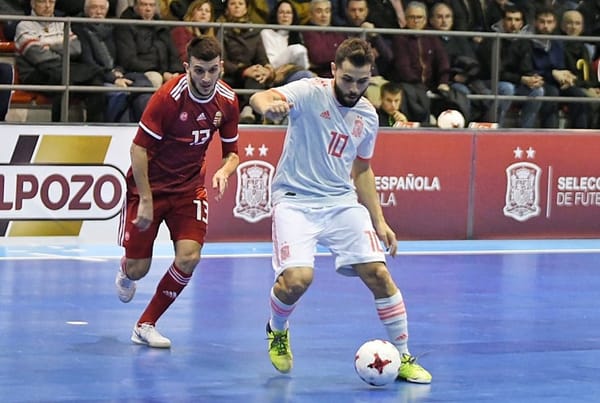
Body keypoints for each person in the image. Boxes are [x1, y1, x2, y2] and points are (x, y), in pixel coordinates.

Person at [248, 37, 432, 384]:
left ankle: (404, 355)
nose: (353, 88)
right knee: (297, 281)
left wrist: (379, 220)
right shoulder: (308, 91)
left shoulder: (367, 115)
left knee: (378, 274)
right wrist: (268, 106)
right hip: (295, 200)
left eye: (362, 81)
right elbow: (262, 97)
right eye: (347, 79)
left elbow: (362, 169)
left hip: (340, 202)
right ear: (334, 69)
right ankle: (277, 329)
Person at [115, 35, 240, 348]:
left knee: (189, 257)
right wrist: (146, 199)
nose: (206, 78)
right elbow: (138, 150)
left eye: (212, 70)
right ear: (187, 67)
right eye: (199, 70)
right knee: (138, 269)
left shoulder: (227, 100)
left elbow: (232, 153)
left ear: (221, 67)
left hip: (189, 189)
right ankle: (126, 270)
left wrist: (224, 171)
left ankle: (145, 324)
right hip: (150, 187)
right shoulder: (169, 97)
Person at [14, 0, 106, 122]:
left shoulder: (61, 23)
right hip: (34, 71)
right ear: (33, 4)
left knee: (96, 84)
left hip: (62, 68)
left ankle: (94, 128)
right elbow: (38, 56)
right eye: (42, 2)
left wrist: (50, 46)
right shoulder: (24, 25)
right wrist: (62, 48)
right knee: (66, 80)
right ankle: (58, 125)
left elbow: (76, 49)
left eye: (51, 2)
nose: (47, 6)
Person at [73, 0, 153, 122]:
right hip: (95, 76)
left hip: (118, 72)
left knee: (143, 83)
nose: (99, 12)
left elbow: (122, 57)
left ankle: (144, 124)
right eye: (94, 7)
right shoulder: (79, 29)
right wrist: (112, 77)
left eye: (102, 8)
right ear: (86, 10)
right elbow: (88, 62)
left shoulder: (113, 28)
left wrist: (118, 70)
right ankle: (114, 126)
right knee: (120, 93)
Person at [477, 5, 543, 128]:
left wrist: (534, 79)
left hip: (515, 82)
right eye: (509, 19)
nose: (513, 23)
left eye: (517, 20)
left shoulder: (524, 42)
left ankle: (526, 131)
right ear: (502, 21)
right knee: (507, 88)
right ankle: (497, 128)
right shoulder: (491, 40)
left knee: (538, 91)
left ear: (521, 23)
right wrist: (521, 79)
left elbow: (526, 68)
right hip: (490, 81)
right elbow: (496, 72)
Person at [429, 2, 493, 122]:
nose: (444, 21)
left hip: (468, 78)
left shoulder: (460, 38)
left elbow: (473, 62)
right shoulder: (429, 39)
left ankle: (489, 126)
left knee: (497, 91)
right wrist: (453, 76)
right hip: (446, 81)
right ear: (431, 20)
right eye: (439, 17)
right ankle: (465, 126)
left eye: (448, 17)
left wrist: (467, 75)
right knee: (462, 92)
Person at [389, 1, 450, 124]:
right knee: (411, 93)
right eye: (412, 17)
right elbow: (403, 68)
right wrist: (420, 85)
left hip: (431, 84)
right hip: (410, 84)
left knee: (456, 94)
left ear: (425, 19)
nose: (416, 21)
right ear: (406, 19)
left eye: (419, 17)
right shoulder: (400, 38)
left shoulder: (432, 36)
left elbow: (442, 61)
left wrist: (443, 82)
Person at [531, 7, 590, 128]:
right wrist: (552, 73)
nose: (546, 26)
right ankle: (550, 134)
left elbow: (561, 66)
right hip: (540, 81)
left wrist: (566, 76)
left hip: (556, 81)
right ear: (535, 22)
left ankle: (580, 134)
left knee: (578, 94)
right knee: (552, 93)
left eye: (549, 22)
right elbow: (530, 69)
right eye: (542, 22)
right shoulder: (528, 42)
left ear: (555, 24)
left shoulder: (558, 42)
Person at [217, 0, 274, 123]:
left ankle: (249, 110)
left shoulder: (254, 31)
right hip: (230, 74)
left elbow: (262, 58)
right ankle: (250, 110)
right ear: (227, 8)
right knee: (252, 77)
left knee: (257, 77)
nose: (237, 6)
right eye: (233, 4)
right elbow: (221, 60)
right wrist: (243, 71)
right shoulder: (221, 29)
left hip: (251, 74)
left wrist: (266, 70)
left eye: (240, 3)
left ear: (246, 8)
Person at [115, 0, 184, 88]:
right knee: (156, 78)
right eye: (144, 5)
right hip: (138, 72)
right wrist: (161, 72)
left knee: (184, 79)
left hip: (164, 72)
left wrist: (175, 71)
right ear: (135, 6)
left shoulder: (161, 25)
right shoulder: (125, 25)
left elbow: (173, 53)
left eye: (152, 5)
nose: (148, 9)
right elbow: (128, 60)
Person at [259, 0, 314, 86]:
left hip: (293, 73)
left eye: (288, 13)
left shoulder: (296, 34)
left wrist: (289, 67)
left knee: (306, 75)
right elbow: (272, 63)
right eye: (281, 12)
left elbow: (304, 65)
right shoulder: (266, 32)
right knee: (298, 49)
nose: (285, 15)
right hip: (274, 75)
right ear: (276, 15)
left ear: (293, 16)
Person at [561, 9, 600, 128]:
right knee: (582, 98)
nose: (574, 27)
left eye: (577, 23)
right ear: (562, 26)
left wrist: (594, 87)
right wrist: (587, 87)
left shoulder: (584, 48)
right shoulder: (558, 45)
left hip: (583, 85)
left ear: (582, 27)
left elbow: (588, 73)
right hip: (567, 86)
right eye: (570, 23)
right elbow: (564, 74)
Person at [302, 0, 348, 78]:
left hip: (339, 75)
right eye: (319, 11)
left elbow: (346, 56)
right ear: (310, 14)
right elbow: (317, 57)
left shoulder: (338, 32)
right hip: (317, 77)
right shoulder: (305, 32)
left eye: (327, 11)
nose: (324, 15)